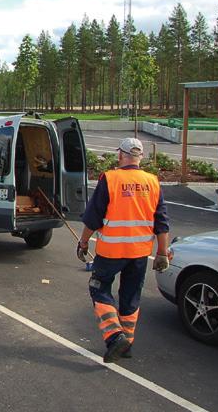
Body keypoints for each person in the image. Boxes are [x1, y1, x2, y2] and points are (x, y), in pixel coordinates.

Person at [77, 138, 171, 363]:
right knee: (130, 297)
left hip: (111, 251)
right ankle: (126, 344)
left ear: (121, 155)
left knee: (99, 290)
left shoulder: (111, 179)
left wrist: (83, 243)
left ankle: (115, 336)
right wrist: (161, 253)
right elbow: (162, 221)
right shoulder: (153, 182)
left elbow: (93, 217)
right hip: (139, 253)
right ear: (140, 157)